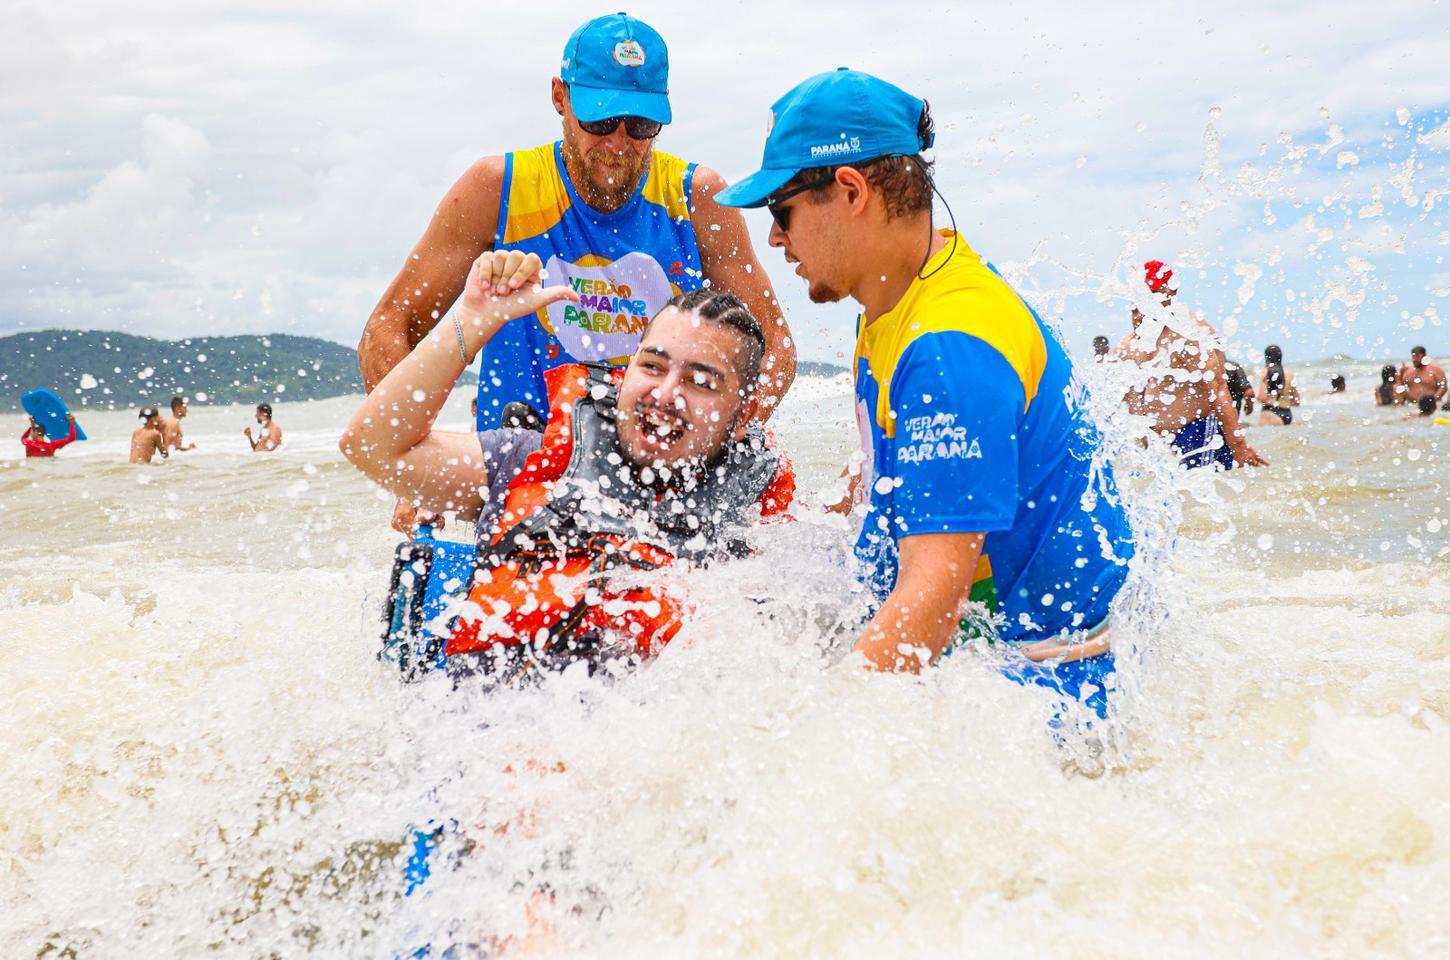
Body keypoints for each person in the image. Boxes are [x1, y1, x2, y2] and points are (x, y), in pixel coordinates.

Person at [714, 68, 1136, 718]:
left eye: (781, 209)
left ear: (849, 190)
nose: (775, 237)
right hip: (981, 646)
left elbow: (933, 597)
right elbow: (897, 475)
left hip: (1035, 686)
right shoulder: (897, 297)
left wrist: (804, 742)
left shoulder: (948, 345)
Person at [356, 12, 796, 536]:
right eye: (600, 121)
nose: (619, 144)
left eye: (641, 126)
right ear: (559, 98)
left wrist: (704, 453)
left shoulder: (696, 199)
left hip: (659, 485)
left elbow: (774, 350)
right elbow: (389, 327)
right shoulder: (497, 189)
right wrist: (418, 469)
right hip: (526, 474)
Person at [341, 251, 794, 679]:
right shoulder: (525, 458)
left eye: (699, 381)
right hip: (479, 736)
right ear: (627, 370)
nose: (664, 393)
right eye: (653, 367)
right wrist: (474, 320)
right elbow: (374, 449)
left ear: (745, 416)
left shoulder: (756, 523)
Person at [1113, 261, 1268, 470]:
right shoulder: (1130, 343)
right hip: (1159, 447)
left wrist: (1239, 446)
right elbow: (1125, 397)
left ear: (1172, 290)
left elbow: (1218, 389)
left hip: (1198, 432)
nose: (1147, 301)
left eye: (1154, 293)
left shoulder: (1190, 334)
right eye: (1142, 295)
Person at [1257, 344, 1300, 426]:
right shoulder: (1289, 373)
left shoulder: (1265, 372)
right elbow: (1296, 401)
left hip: (1270, 413)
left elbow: (1262, 397)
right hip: (1288, 413)